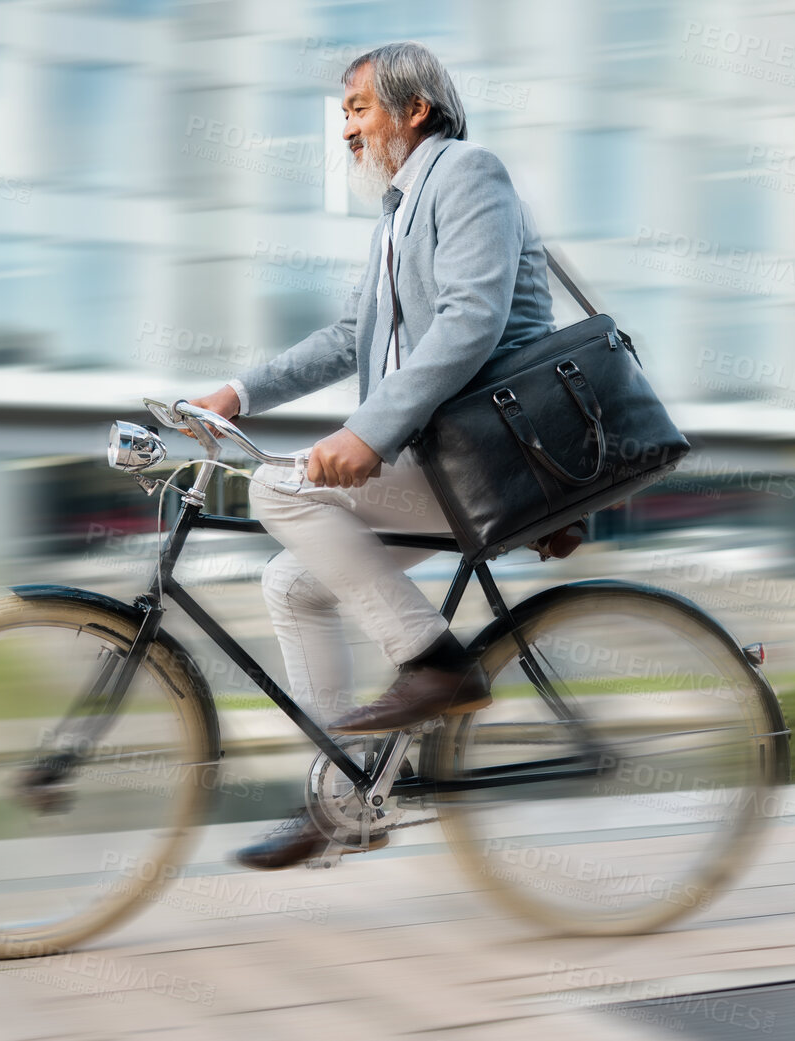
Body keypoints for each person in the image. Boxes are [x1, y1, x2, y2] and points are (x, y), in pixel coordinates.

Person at [180, 41, 556, 869]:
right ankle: (347, 794)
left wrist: (365, 434)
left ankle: (434, 662)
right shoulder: (397, 213)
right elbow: (350, 336)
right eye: (344, 114)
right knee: (292, 581)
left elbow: (471, 319)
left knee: (282, 493)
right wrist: (237, 393)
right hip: (441, 456)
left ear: (413, 109)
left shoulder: (466, 173)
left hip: (489, 454)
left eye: (357, 109)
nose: (346, 129)